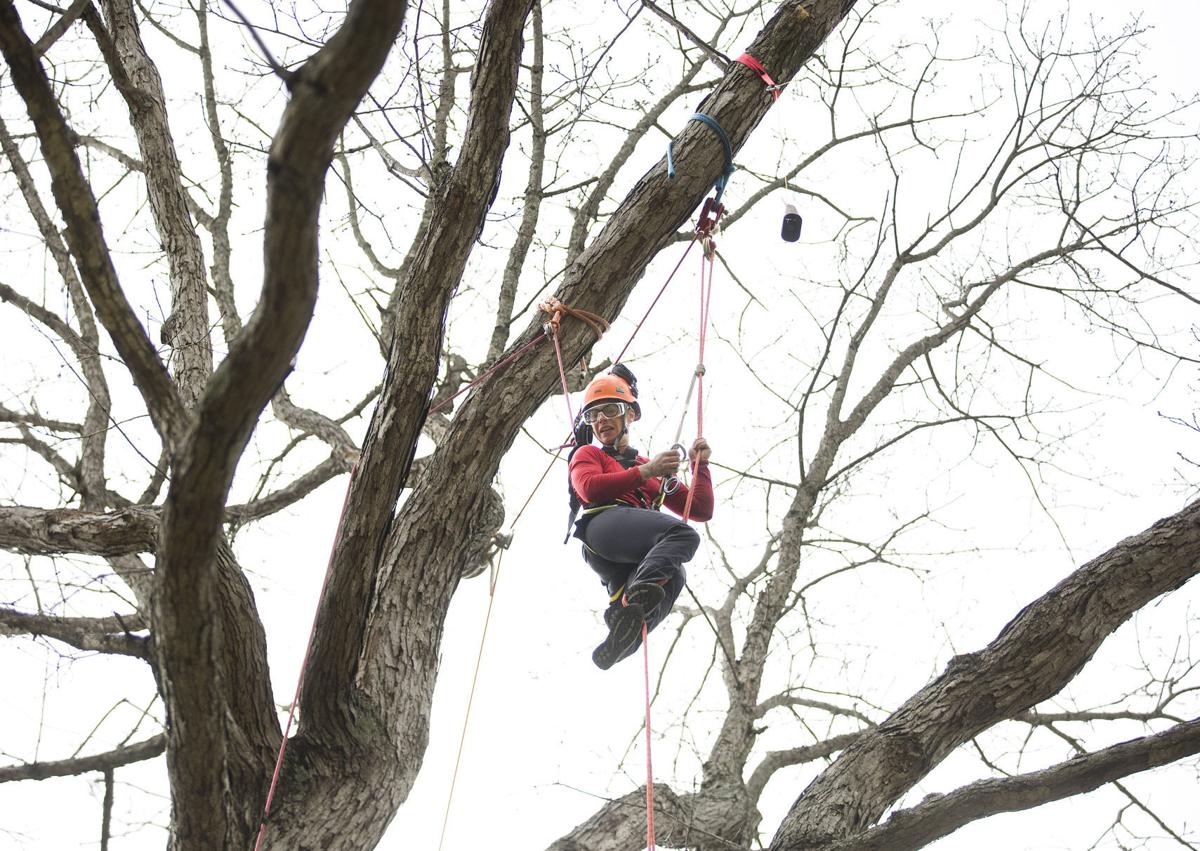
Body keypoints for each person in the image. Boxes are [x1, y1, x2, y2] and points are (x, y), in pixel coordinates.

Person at [567, 366, 714, 669]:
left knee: (676, 575)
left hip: (631, 559)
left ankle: (627, 629)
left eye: (609, 410)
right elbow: (590, 488)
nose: (601, 421)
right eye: (594, 415)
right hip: (604, 529)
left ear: (630, 415)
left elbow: (699, 509)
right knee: (681, 535)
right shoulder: (589, 455)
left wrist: (700, 467)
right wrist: (647, 472)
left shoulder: (648, 467)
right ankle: (638, 593)